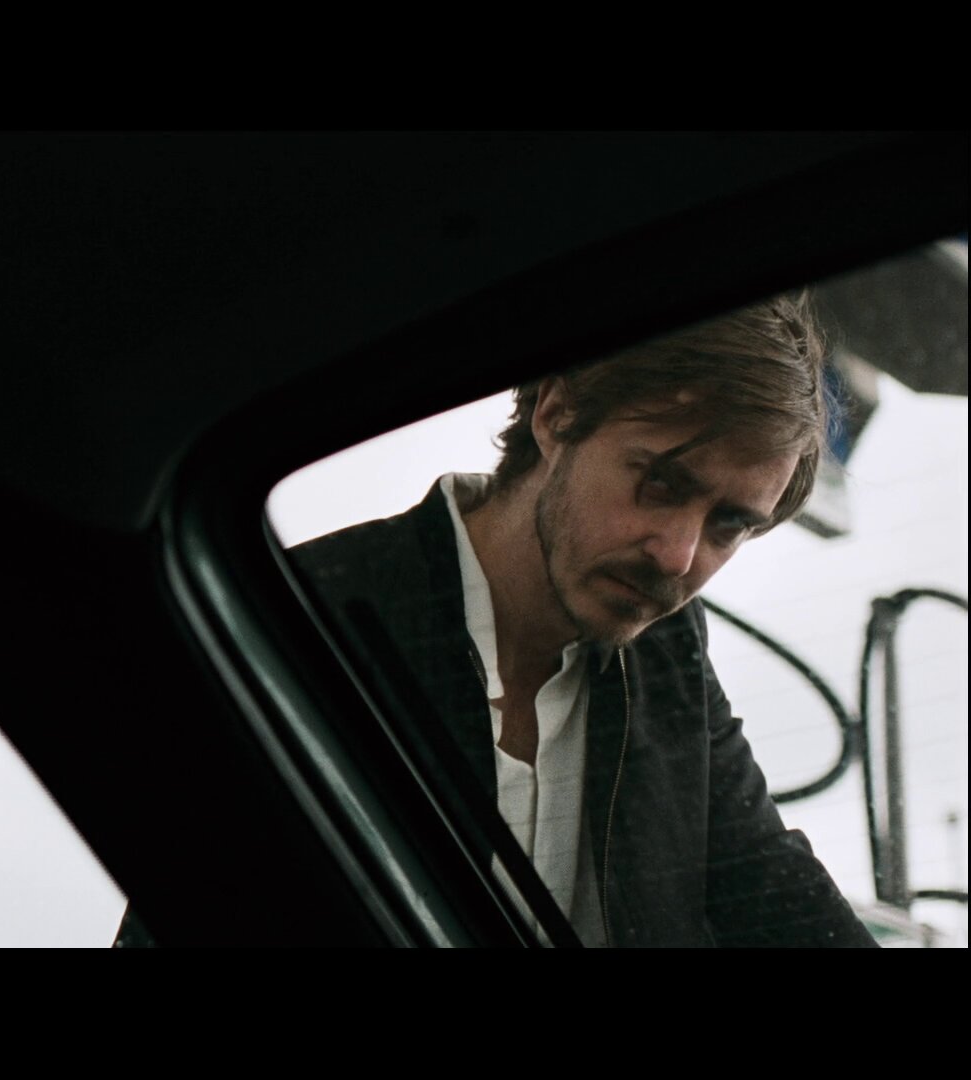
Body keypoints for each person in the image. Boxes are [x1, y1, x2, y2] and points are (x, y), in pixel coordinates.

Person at [288, 294, 877, 947]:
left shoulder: (667, 648)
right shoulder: (318, 609)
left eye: (730, 523)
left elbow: (768, 881)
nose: (679, 556)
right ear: (556, 414)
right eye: (662, 483)